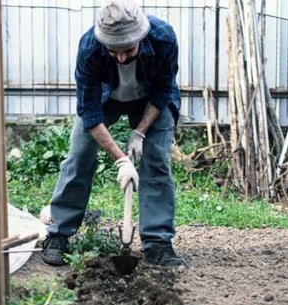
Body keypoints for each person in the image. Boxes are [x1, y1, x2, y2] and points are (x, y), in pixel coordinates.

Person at [41, 0, 185, 267]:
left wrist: (140, 134)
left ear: (141, 37)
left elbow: (163, 91)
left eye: (127, 49)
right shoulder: (90, 47)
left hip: (151, 101)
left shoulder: (164, 38)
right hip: (107, 99)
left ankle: (158, 243)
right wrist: (121, 159)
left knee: (157, 161)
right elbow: (89, 112)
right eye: (113, 50)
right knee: (79, 156)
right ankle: (59, 233)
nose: (120, 57)